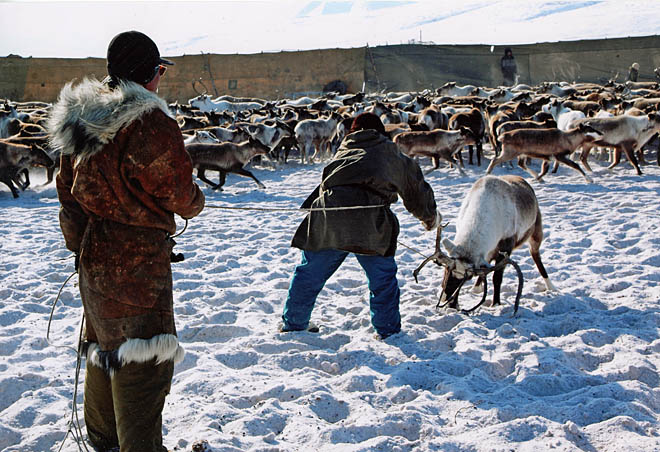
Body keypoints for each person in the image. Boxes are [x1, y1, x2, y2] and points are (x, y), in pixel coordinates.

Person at [48, 31, 205, 452]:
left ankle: (104, 441)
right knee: (141, 356)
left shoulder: (83, 118)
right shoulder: (149, 122)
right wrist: (195, 202)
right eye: (159, 71)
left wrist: (80, 245)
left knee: (103, 344)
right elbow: (178, 193)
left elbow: (67, 192)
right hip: (138, 263)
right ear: (152, 75)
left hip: (93, 257)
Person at [280, 113, 439, 340]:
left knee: (309, 274)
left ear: (353, 131)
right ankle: (388, 331)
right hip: (370, 223)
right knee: (382, 278)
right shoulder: (389, 152)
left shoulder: (345, 149)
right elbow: (413, 187)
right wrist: (429, 217)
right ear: (380, 131)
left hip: (329, 217)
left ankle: (294, 324)